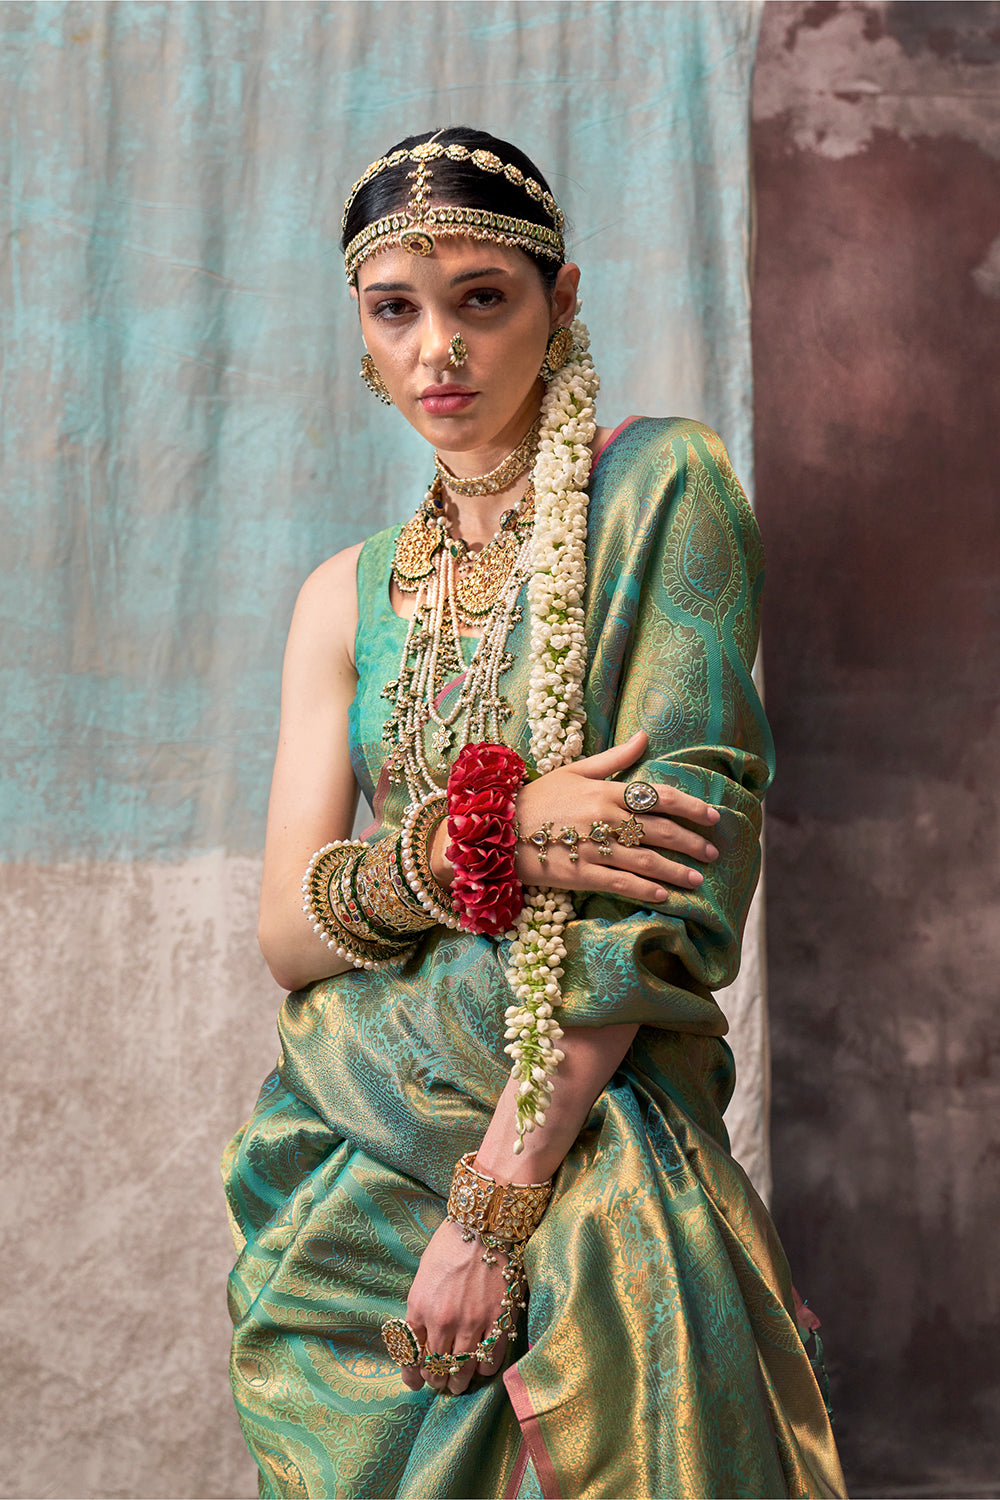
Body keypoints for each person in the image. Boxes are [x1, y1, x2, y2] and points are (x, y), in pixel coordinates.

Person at [223, 126, 846, 1500]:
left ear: (561, 304)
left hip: (581, 1137)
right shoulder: (343, 597)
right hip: (353, 1140)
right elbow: (286, 930)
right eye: (398, 310)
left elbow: (659, 888)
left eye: (481, 300)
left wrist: (497, 1213)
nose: (437, 349)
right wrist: (479, 846)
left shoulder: (663, 495)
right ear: (363, 331)